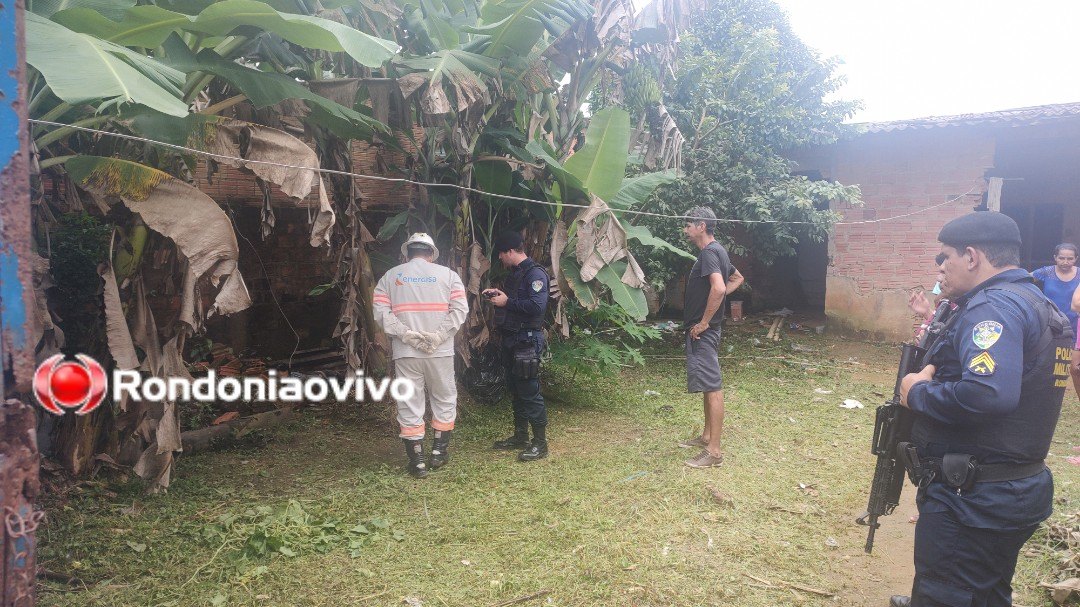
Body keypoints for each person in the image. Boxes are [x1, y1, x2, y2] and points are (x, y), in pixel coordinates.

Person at [893, 212, 1073, 607]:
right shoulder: (1037, 303)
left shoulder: (993, 308)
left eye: (945, 257)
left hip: (974, 497)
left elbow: (988, 394)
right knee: (985, 591)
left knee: (947, 595)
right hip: (1011, 486)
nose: (940, 267)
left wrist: (917, 393)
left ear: (972, 256)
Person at [373, 233, 468, 478]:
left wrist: (405, 334)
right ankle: (438, 452)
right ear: (431, 253)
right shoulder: (449, 276)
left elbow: (381, 312)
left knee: (410, 401)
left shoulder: (391, 277)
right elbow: (459, 311)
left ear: (407, 252)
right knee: (444, 397)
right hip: (440, 351)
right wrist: (438, 336)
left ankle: (417, 461)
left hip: (406, 353)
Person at [676, 207, 744, 468]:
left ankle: (714, 453)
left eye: (688, 225)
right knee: (708, 383)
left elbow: (718, 287)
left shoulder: (710, 253)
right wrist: (716, 302)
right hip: (705, 329)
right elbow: (737, 277)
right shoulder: (718, 252)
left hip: (703, 331)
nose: (685, 229)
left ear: (701, 226)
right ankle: (706, 437)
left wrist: (704, 321)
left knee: (713, 386)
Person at [483, 230, 551, 462]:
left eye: (501, 254)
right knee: (516, 390)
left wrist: (507, 301)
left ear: (510, 251)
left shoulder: (535, 274)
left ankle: (540, 444)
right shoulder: (517, 274)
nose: (500, 258)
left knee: (529, 391)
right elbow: (514, 303)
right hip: (512, 339)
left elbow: (536, 307)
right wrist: (498, 296)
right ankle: (520, 436)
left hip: (527, 341)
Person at [1032, 243, 1080, 399]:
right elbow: (1023, 278)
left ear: (1076, 259)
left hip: (1075, 325)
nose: (1065, 262)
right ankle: (1047, 394)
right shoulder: (1046, 272)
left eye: (1070, 259)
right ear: (1055, 258)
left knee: (1074, 366)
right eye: (1061, 258)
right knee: (1048, 361)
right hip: (1050, 324)